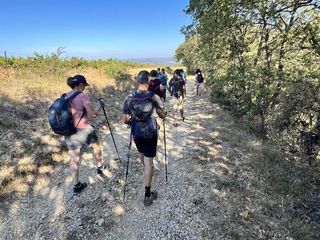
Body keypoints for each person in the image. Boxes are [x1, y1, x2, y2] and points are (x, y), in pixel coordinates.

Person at [122, 70, 166, 206]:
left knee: (142, 155)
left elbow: (125, 119)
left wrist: (133, 121)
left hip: (136, 132)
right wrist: (164, 114)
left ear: (137, 81)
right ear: (149, 81)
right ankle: (147, 195)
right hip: (150, 132)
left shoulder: (128, 98)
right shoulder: (153, 96)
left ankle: (148, 168)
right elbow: (162, 115)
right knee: (148, 162)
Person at [65, 75, 105, 195]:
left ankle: (77, 185)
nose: (84, 88)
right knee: (97, 146)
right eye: (84, 86)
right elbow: (93, 114)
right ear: (80, 85)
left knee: (74, 158)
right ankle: (100, 167)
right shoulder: (83, 96)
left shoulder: (65, 95)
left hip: (69, 131)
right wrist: (100, 106)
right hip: (83, 129)